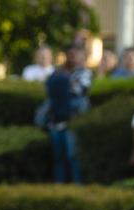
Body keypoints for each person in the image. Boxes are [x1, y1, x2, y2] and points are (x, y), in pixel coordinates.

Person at [45, 46, 89, 183]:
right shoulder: (57, 72)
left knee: (73, 156)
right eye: (70, 54)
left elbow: (80, 91)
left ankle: (77, 187)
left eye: (76, 55)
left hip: (73, 121)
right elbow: (49, 89)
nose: (72, 58)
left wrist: (64, 84)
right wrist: (67, 83)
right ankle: (59, 188)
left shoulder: (84, 73)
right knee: (58, 157)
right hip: (55, 121)